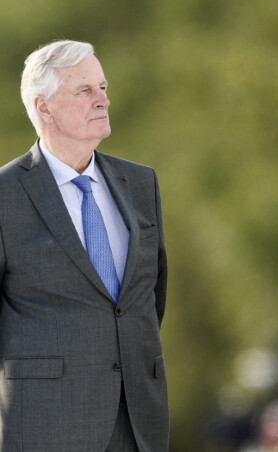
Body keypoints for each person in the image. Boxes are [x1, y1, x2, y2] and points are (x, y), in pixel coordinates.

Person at [0, 40, 169, 451]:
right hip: (45, 424)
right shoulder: (5, 195)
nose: (103, 100)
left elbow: (149, 297)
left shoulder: (141, 183)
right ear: (44, 108)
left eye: (103, 87)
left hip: (139, 422)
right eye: (85, 91)